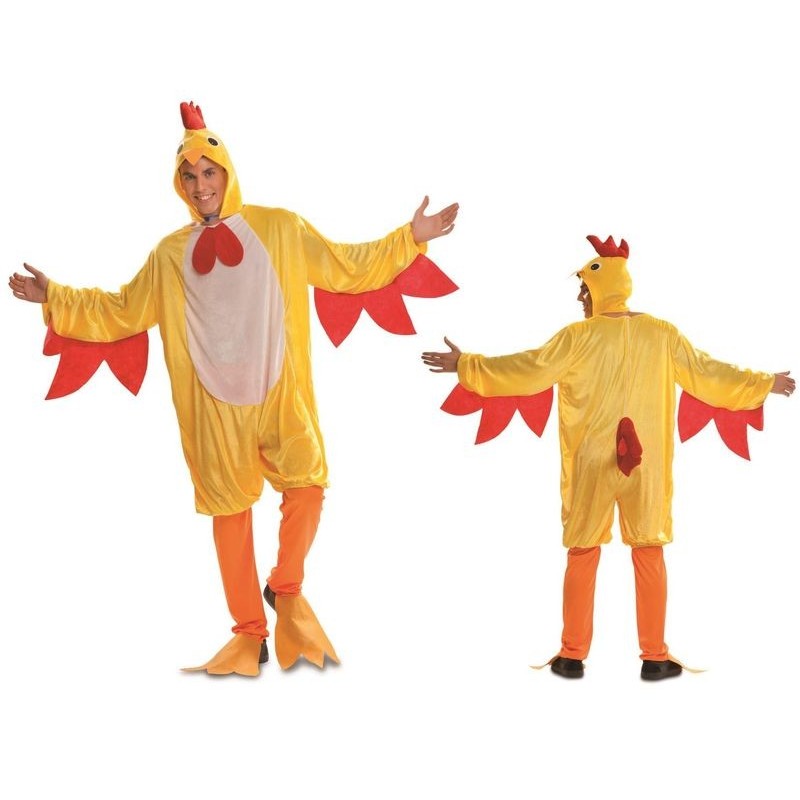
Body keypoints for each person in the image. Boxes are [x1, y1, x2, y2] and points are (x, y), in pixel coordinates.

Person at [9, 100, 459, 677]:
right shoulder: (169, 255)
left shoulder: (280, 227)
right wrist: (56, 297)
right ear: (179, 185)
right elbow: (122, 309)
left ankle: (285, 586)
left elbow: (347, 266)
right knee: (230, 513)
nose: (201, 186)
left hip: (279, 392)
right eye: (189, 177)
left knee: (308, 486)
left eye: (209, 172)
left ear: (228, 173)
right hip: (212, 408)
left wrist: (410, 237)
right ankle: (250, 631)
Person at [422, 234, 794, 680]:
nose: (581, 298)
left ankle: (571, 656)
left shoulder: (577, 338)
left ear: (601, 289)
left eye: (584, 290)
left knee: (584, 549)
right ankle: (654, 658)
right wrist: (762, 383)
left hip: (590, 464)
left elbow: (527, 369)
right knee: (648, 548)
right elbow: (707, 374)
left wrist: (467, 365)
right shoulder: (661, 334)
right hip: (646, 466)